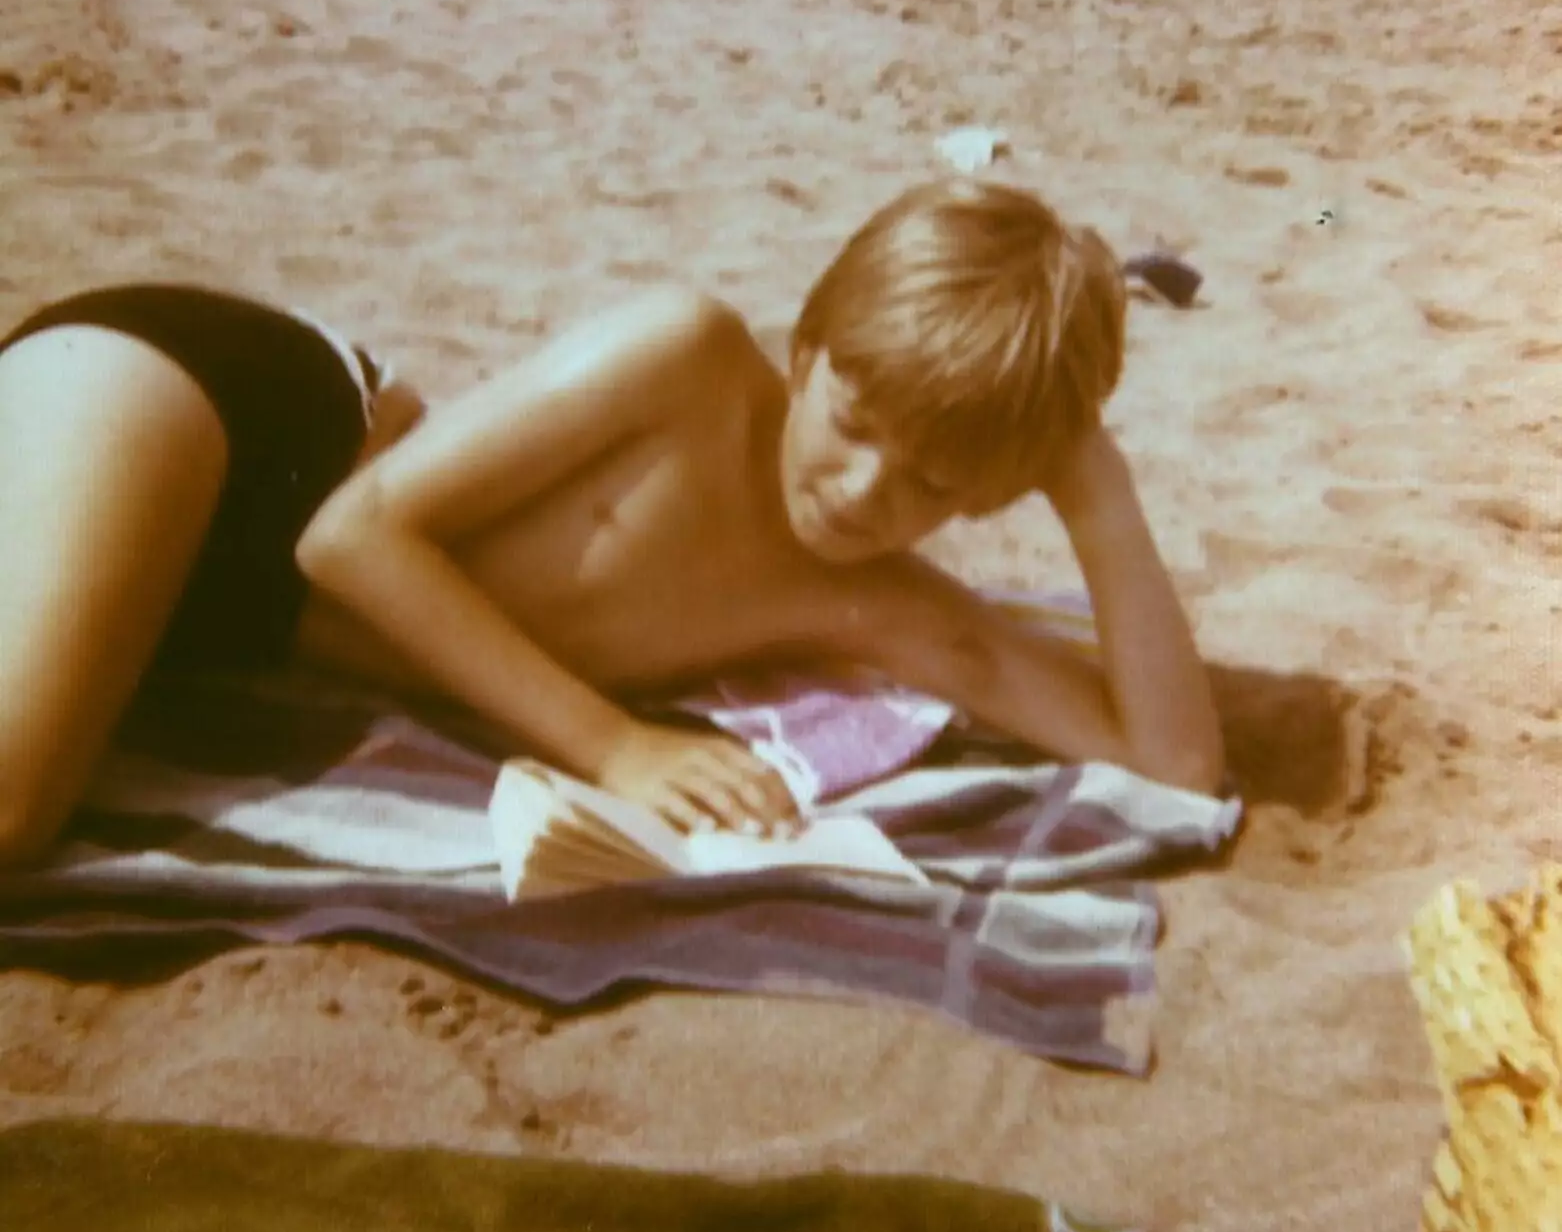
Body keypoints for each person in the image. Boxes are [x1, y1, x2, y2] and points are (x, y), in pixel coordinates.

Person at [0, 179, 1224, 868]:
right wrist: (612, 744)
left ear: (992, 494)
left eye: (929, 486)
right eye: (850, 420)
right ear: (806, 349)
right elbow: (348, 535)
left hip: (204, 611)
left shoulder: (882, 604)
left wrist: (1095, 490)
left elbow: (1172, 766)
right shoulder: (683, 360)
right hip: (210, 411)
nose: (861, 492)